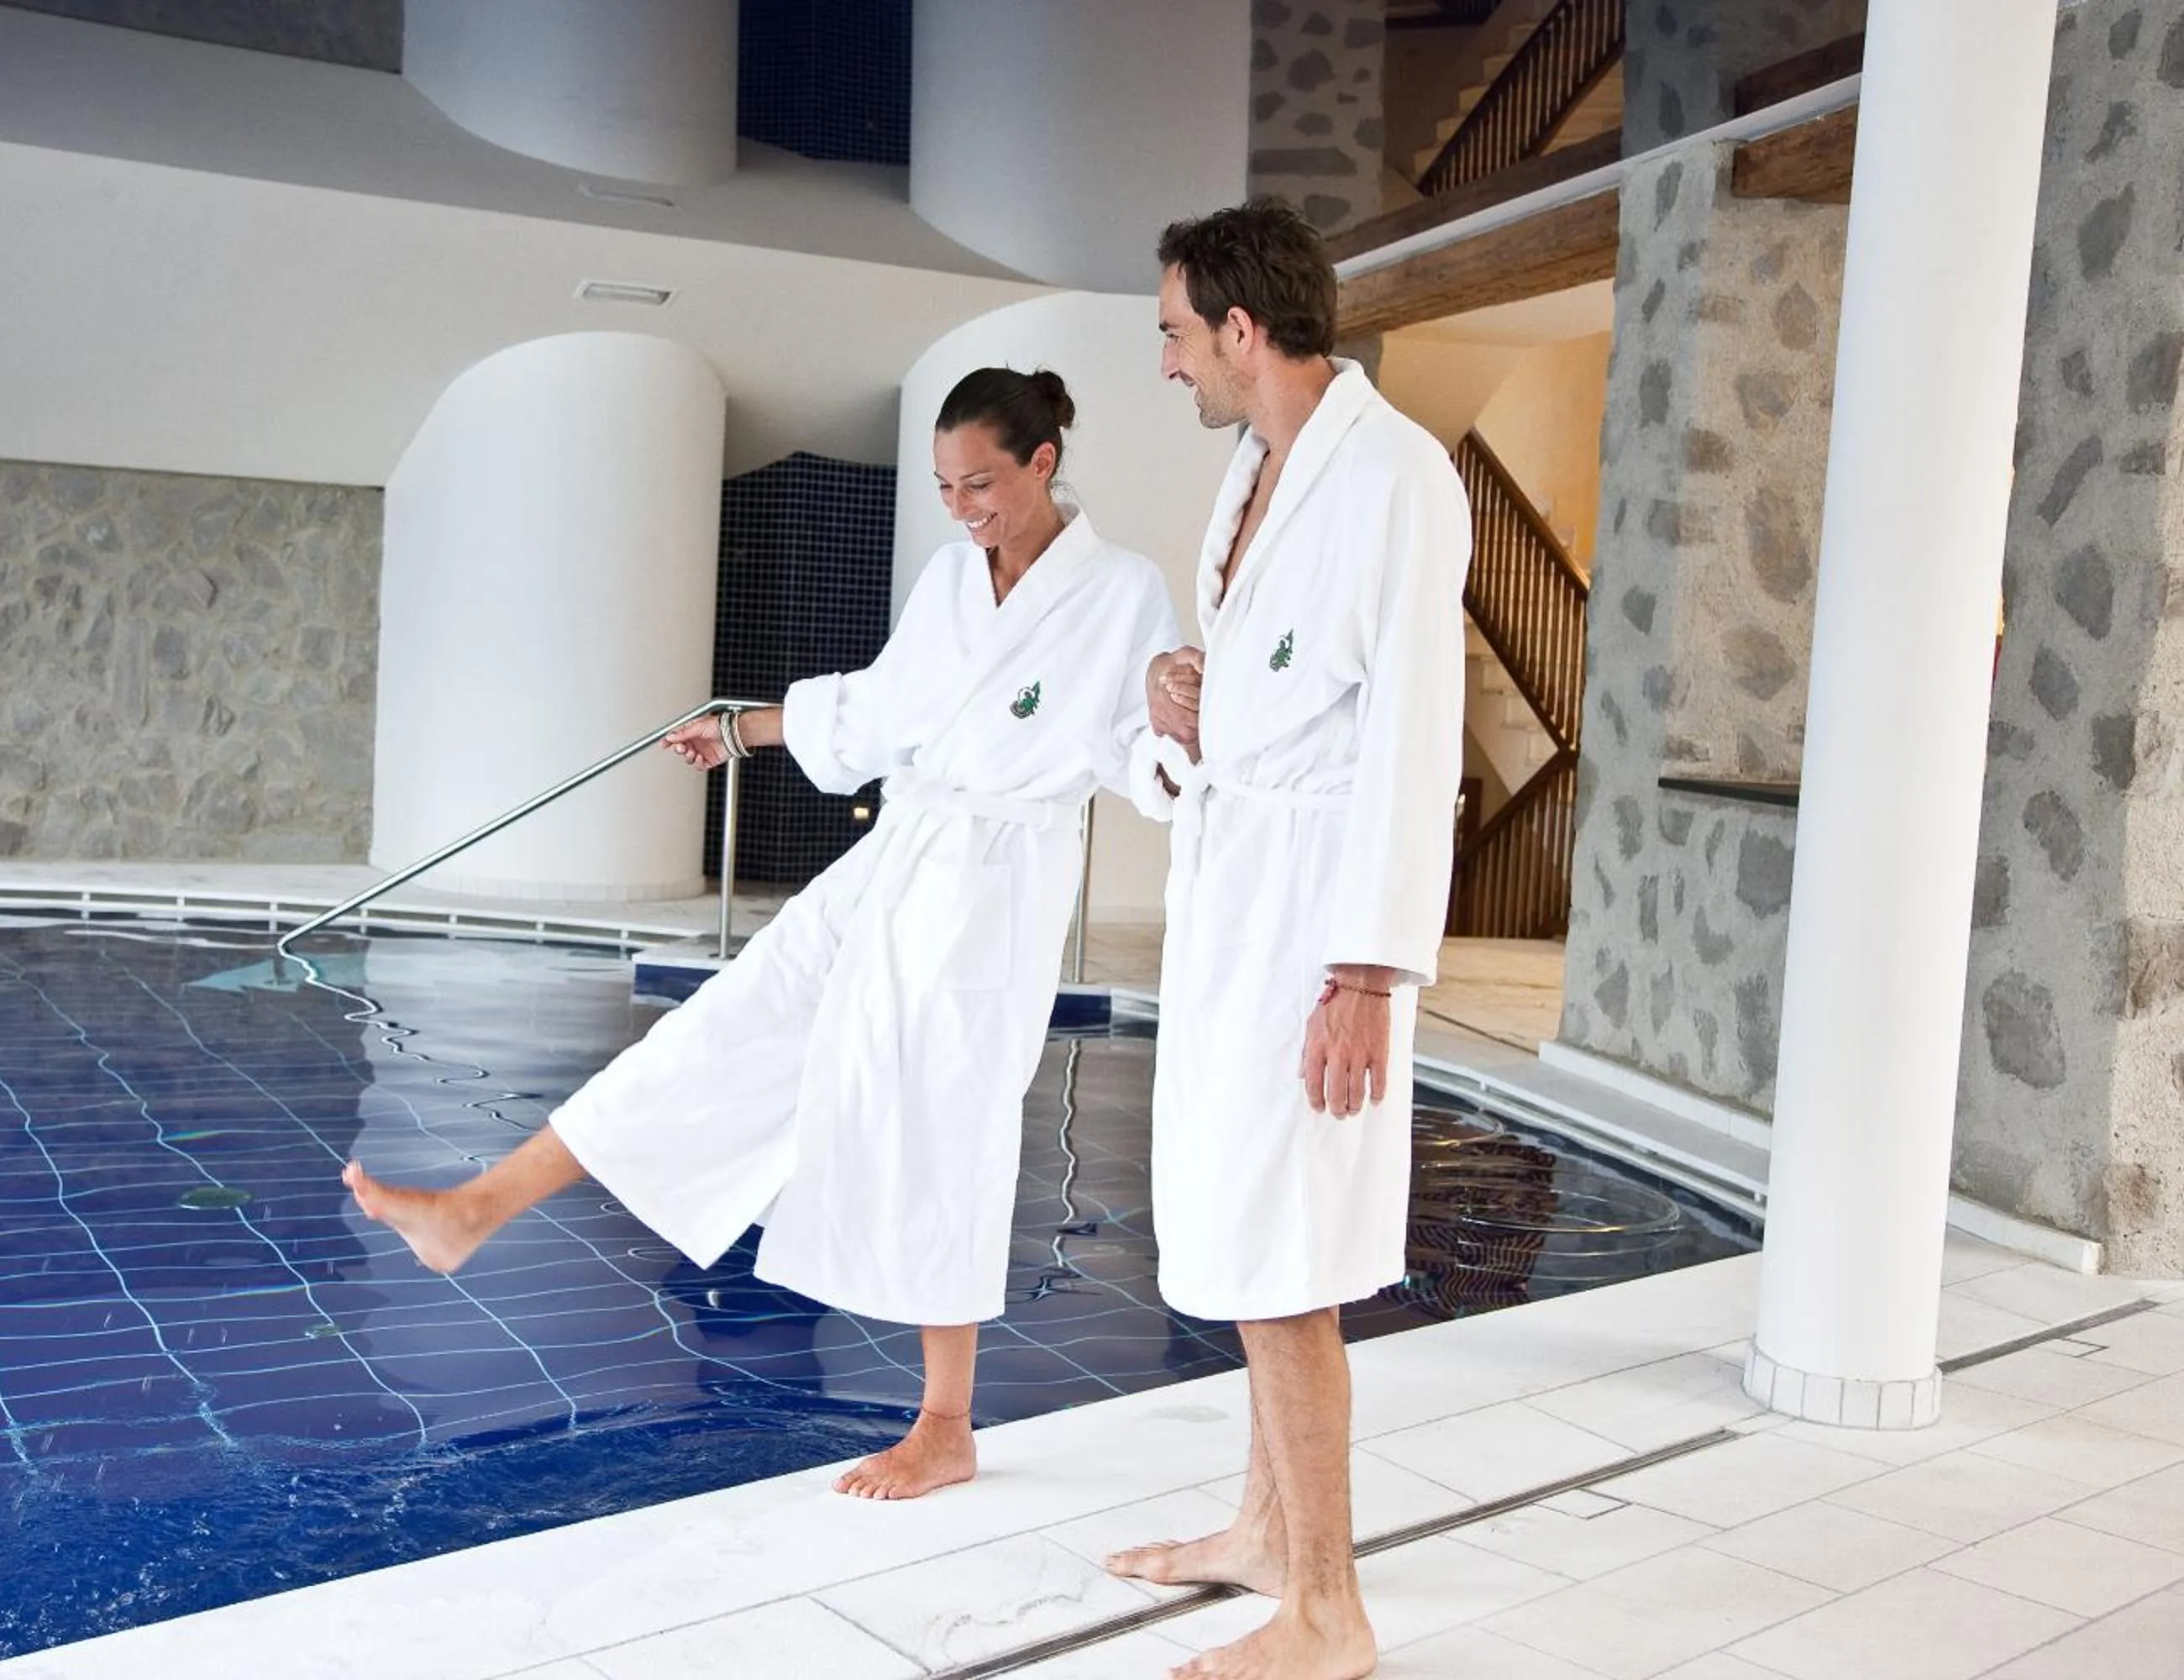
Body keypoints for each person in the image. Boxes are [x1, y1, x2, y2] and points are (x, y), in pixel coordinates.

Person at [344, 368, 1182, 1502]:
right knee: (719, 1031)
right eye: (944, 486)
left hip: (996, 895)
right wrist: (743, 729)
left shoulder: (1123, 591)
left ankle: (945, 1424)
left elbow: (1144, 750)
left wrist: (1180, 725)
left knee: (946, 1130)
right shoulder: (949, 580)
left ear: (1043, 463)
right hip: (898, 862)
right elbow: (882, 711)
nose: (963, 506)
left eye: (980, 481)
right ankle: (474, 1207)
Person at [1105, 202, 1472, 1679]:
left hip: (1317, 923)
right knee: (1242, 1227)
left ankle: (1330, 1609)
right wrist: (1183, 701)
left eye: (1178, 337)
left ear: (1243, 332)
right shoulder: (1260, 469)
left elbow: (1409, 738)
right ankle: (1266, 1530)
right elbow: (1272, 699)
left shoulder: (1397, 478)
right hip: (1236, 899)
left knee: (1288, 1259)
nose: (1171, 366)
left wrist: (1368, 973)